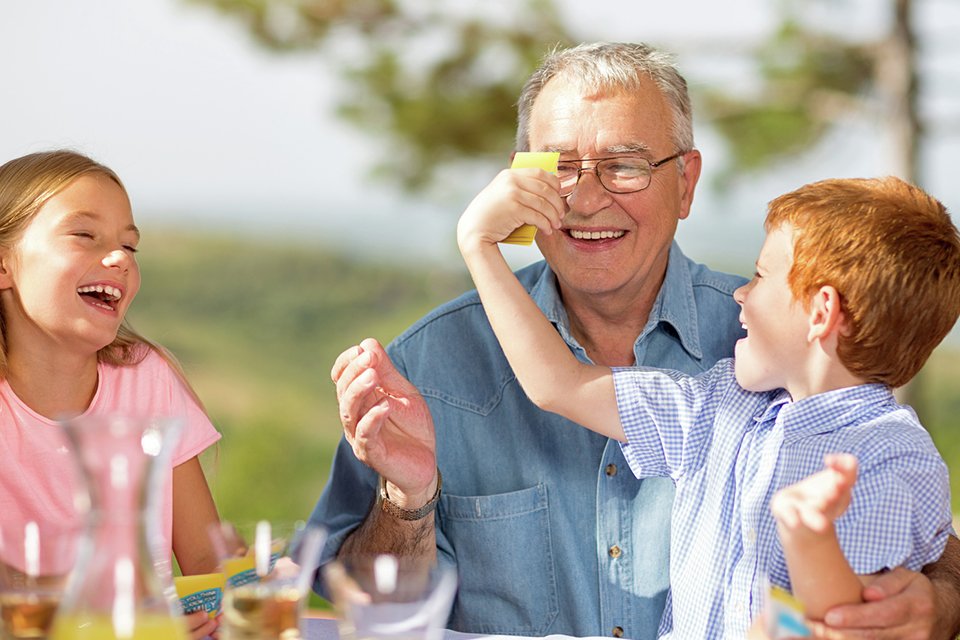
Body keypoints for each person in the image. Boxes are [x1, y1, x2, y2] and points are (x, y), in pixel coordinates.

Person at [316, 42, 960, 639]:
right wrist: (407, 501)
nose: (586, 200)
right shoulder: (425, 365)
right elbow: (364, 611)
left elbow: (920, 549)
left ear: (686, 183)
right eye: (559, 169)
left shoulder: (760, 360)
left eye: (624, 166)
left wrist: (940, 601)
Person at [455, 173, 959, 636]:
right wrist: (480, 247)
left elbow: (850, 625)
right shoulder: (720, 405)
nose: (741, 294)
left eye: (760, 276)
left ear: (821, 312)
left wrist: (812, 541)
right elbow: (560, 385)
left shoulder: (892, 457)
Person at [0, 150, 221, 639]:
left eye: (130, 245)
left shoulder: (147, 379)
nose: (121, 258)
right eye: (84, 235)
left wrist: (238, 598)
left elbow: (209, 560)